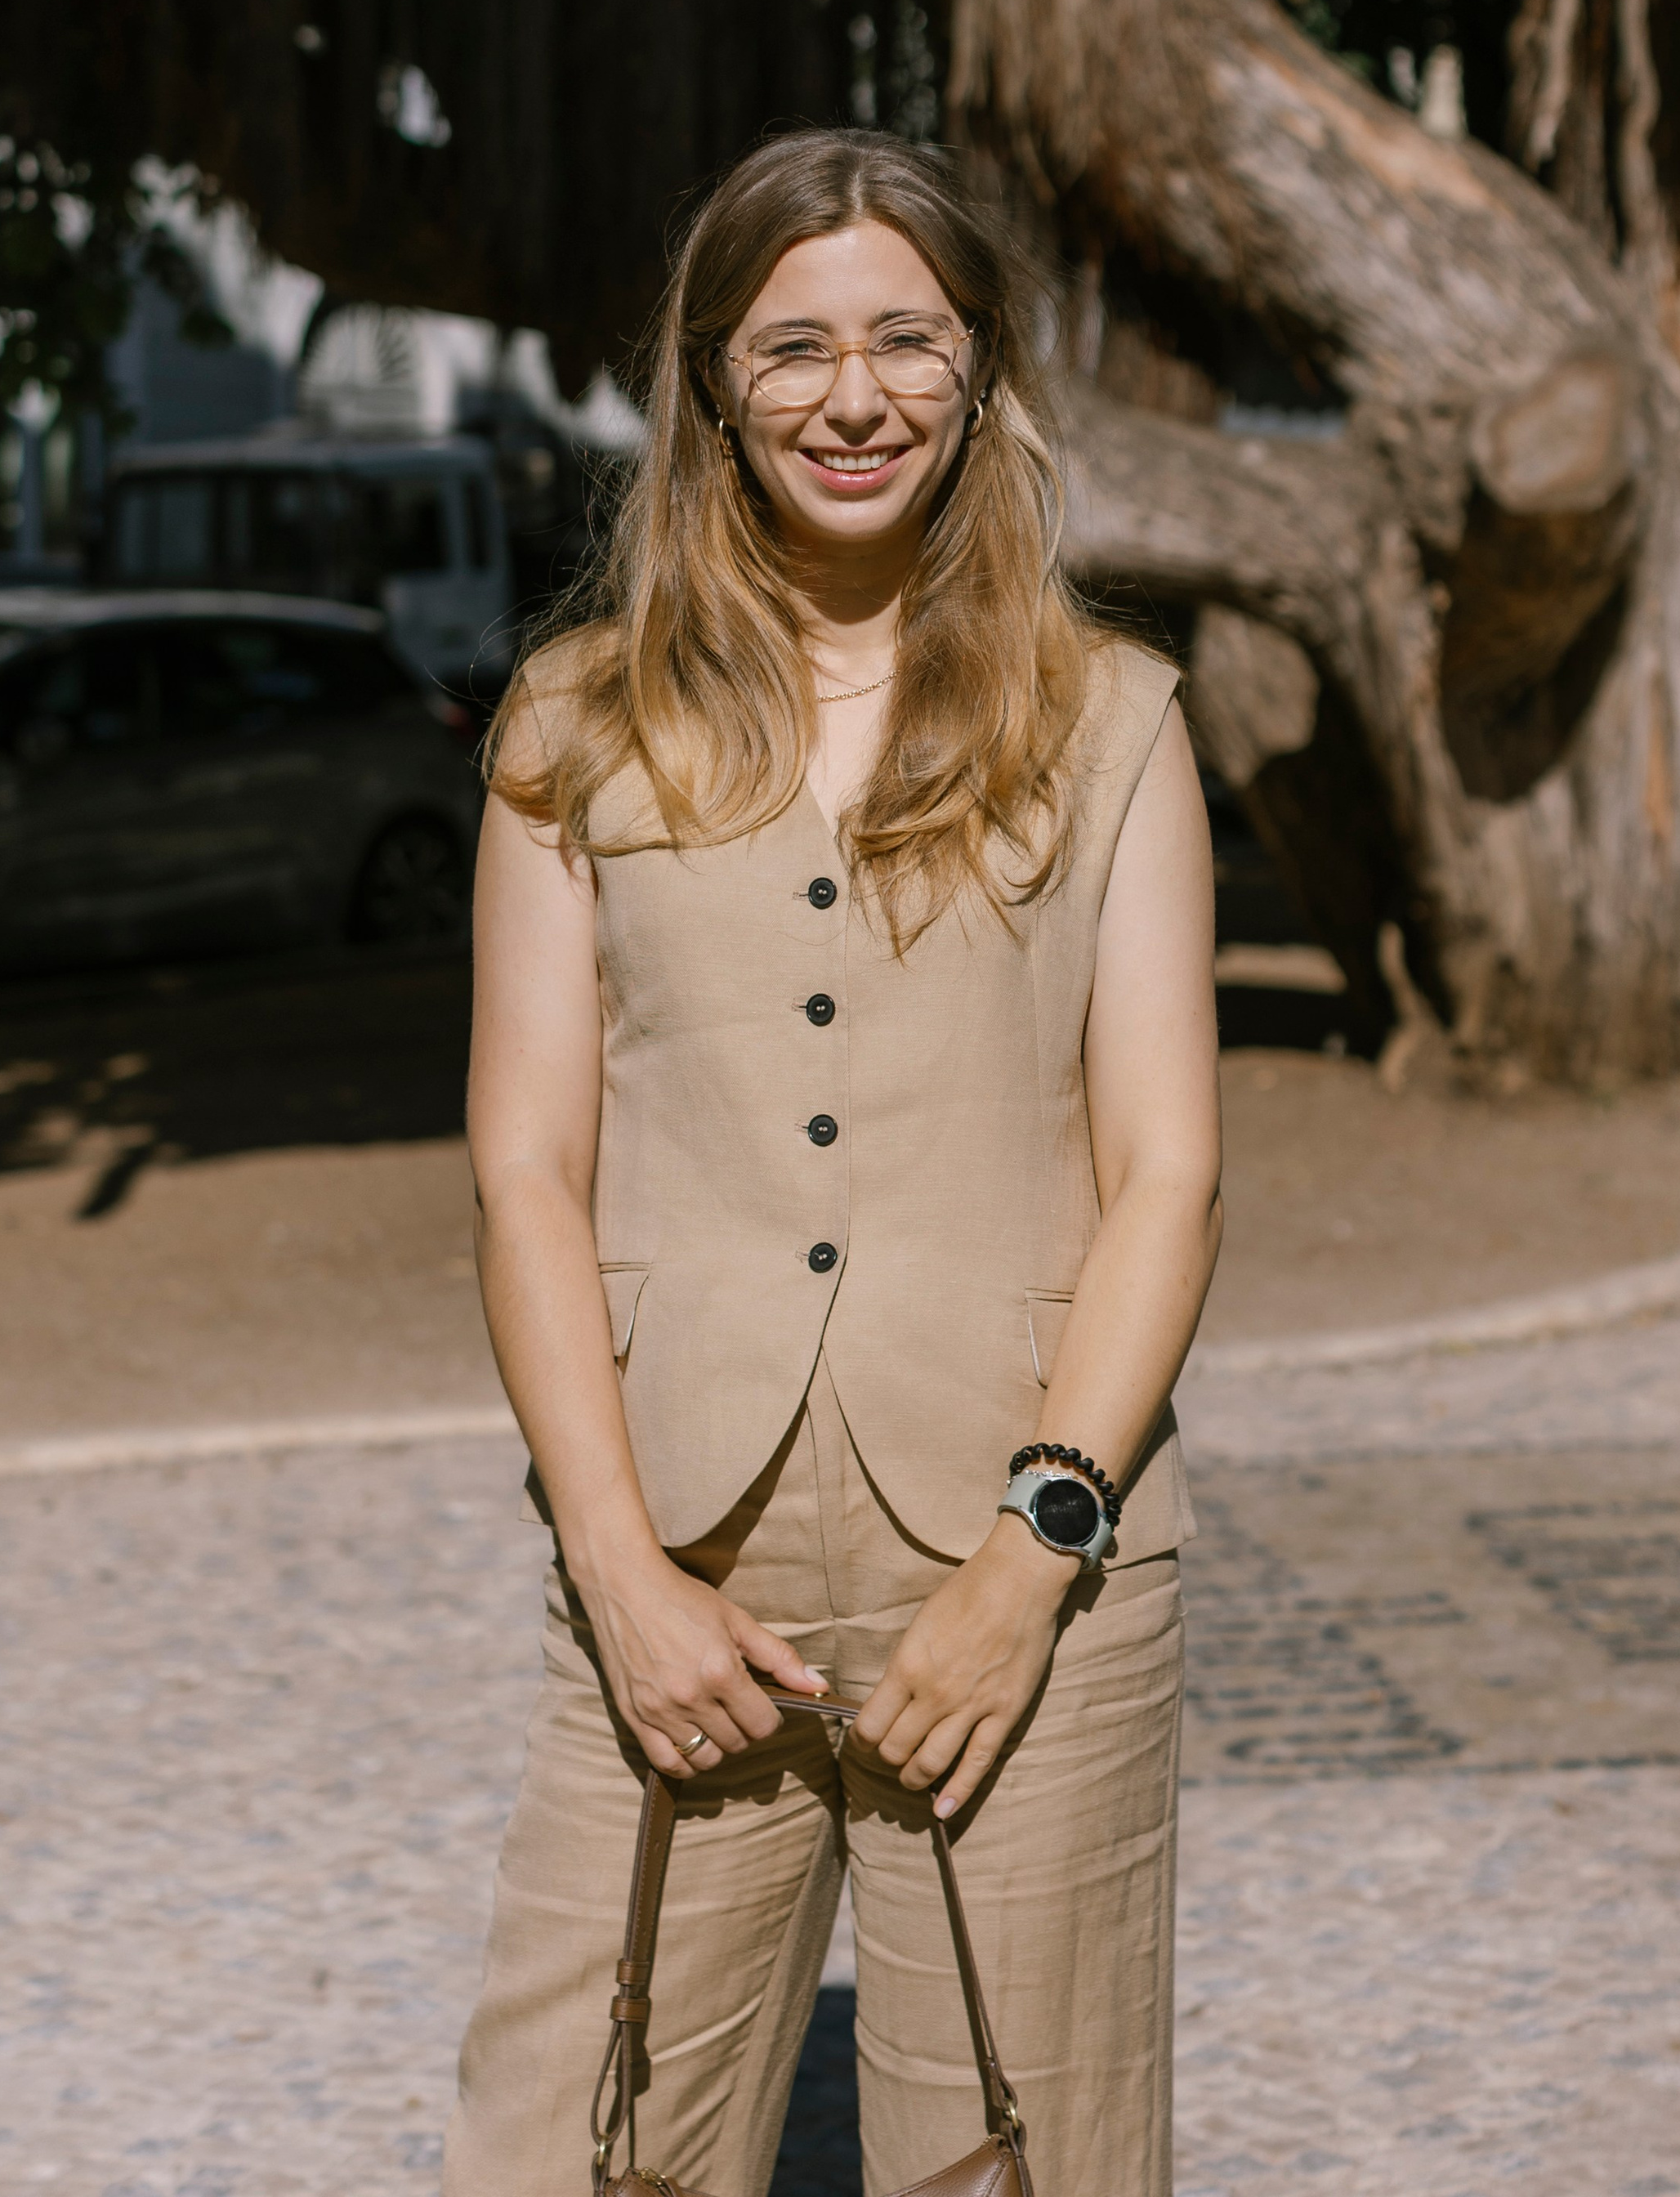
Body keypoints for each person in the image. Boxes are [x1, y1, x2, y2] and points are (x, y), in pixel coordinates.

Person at [444, 132, 1223, 2197]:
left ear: (976, 375)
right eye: (791, 346)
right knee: (571, 2145)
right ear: (710, 382)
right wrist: (619, 1576)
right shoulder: (567, 724)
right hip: (676, 1553)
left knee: (1024, 2158)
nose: (851, 395)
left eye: (905, 339)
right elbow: (523, 1167)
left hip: (1019, 1557)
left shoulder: (1115, 717)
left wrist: (1030, 1557)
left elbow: (1165, 1173)